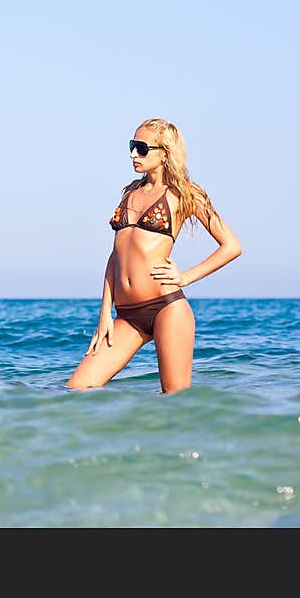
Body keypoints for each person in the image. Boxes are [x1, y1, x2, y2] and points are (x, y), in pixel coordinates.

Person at [66, 118, 242, 393]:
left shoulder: (185, 193)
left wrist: (185, 277)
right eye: (131, 146)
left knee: (174, 400)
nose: (133, 154)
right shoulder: (129, 194)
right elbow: (116, 256)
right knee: (76, 390)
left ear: (164, 153)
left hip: (166, 308)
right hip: (127, 316)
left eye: (141, 148)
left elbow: (231, 246)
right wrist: (104, 314)